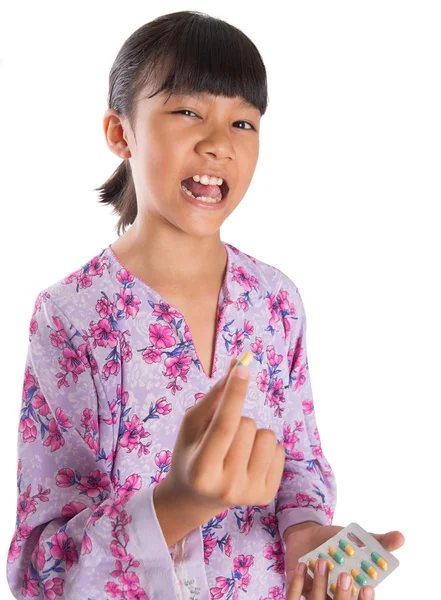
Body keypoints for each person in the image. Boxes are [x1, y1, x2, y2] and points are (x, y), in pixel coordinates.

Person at [6, 10, 404, 600]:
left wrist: (309, 537)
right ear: (121, 133)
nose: (219, 143)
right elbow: (42, 568)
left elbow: (299, 468)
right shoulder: (73, 314)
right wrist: (177, 503)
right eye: (188, 111)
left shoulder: (275, 301)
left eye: (244, 122)